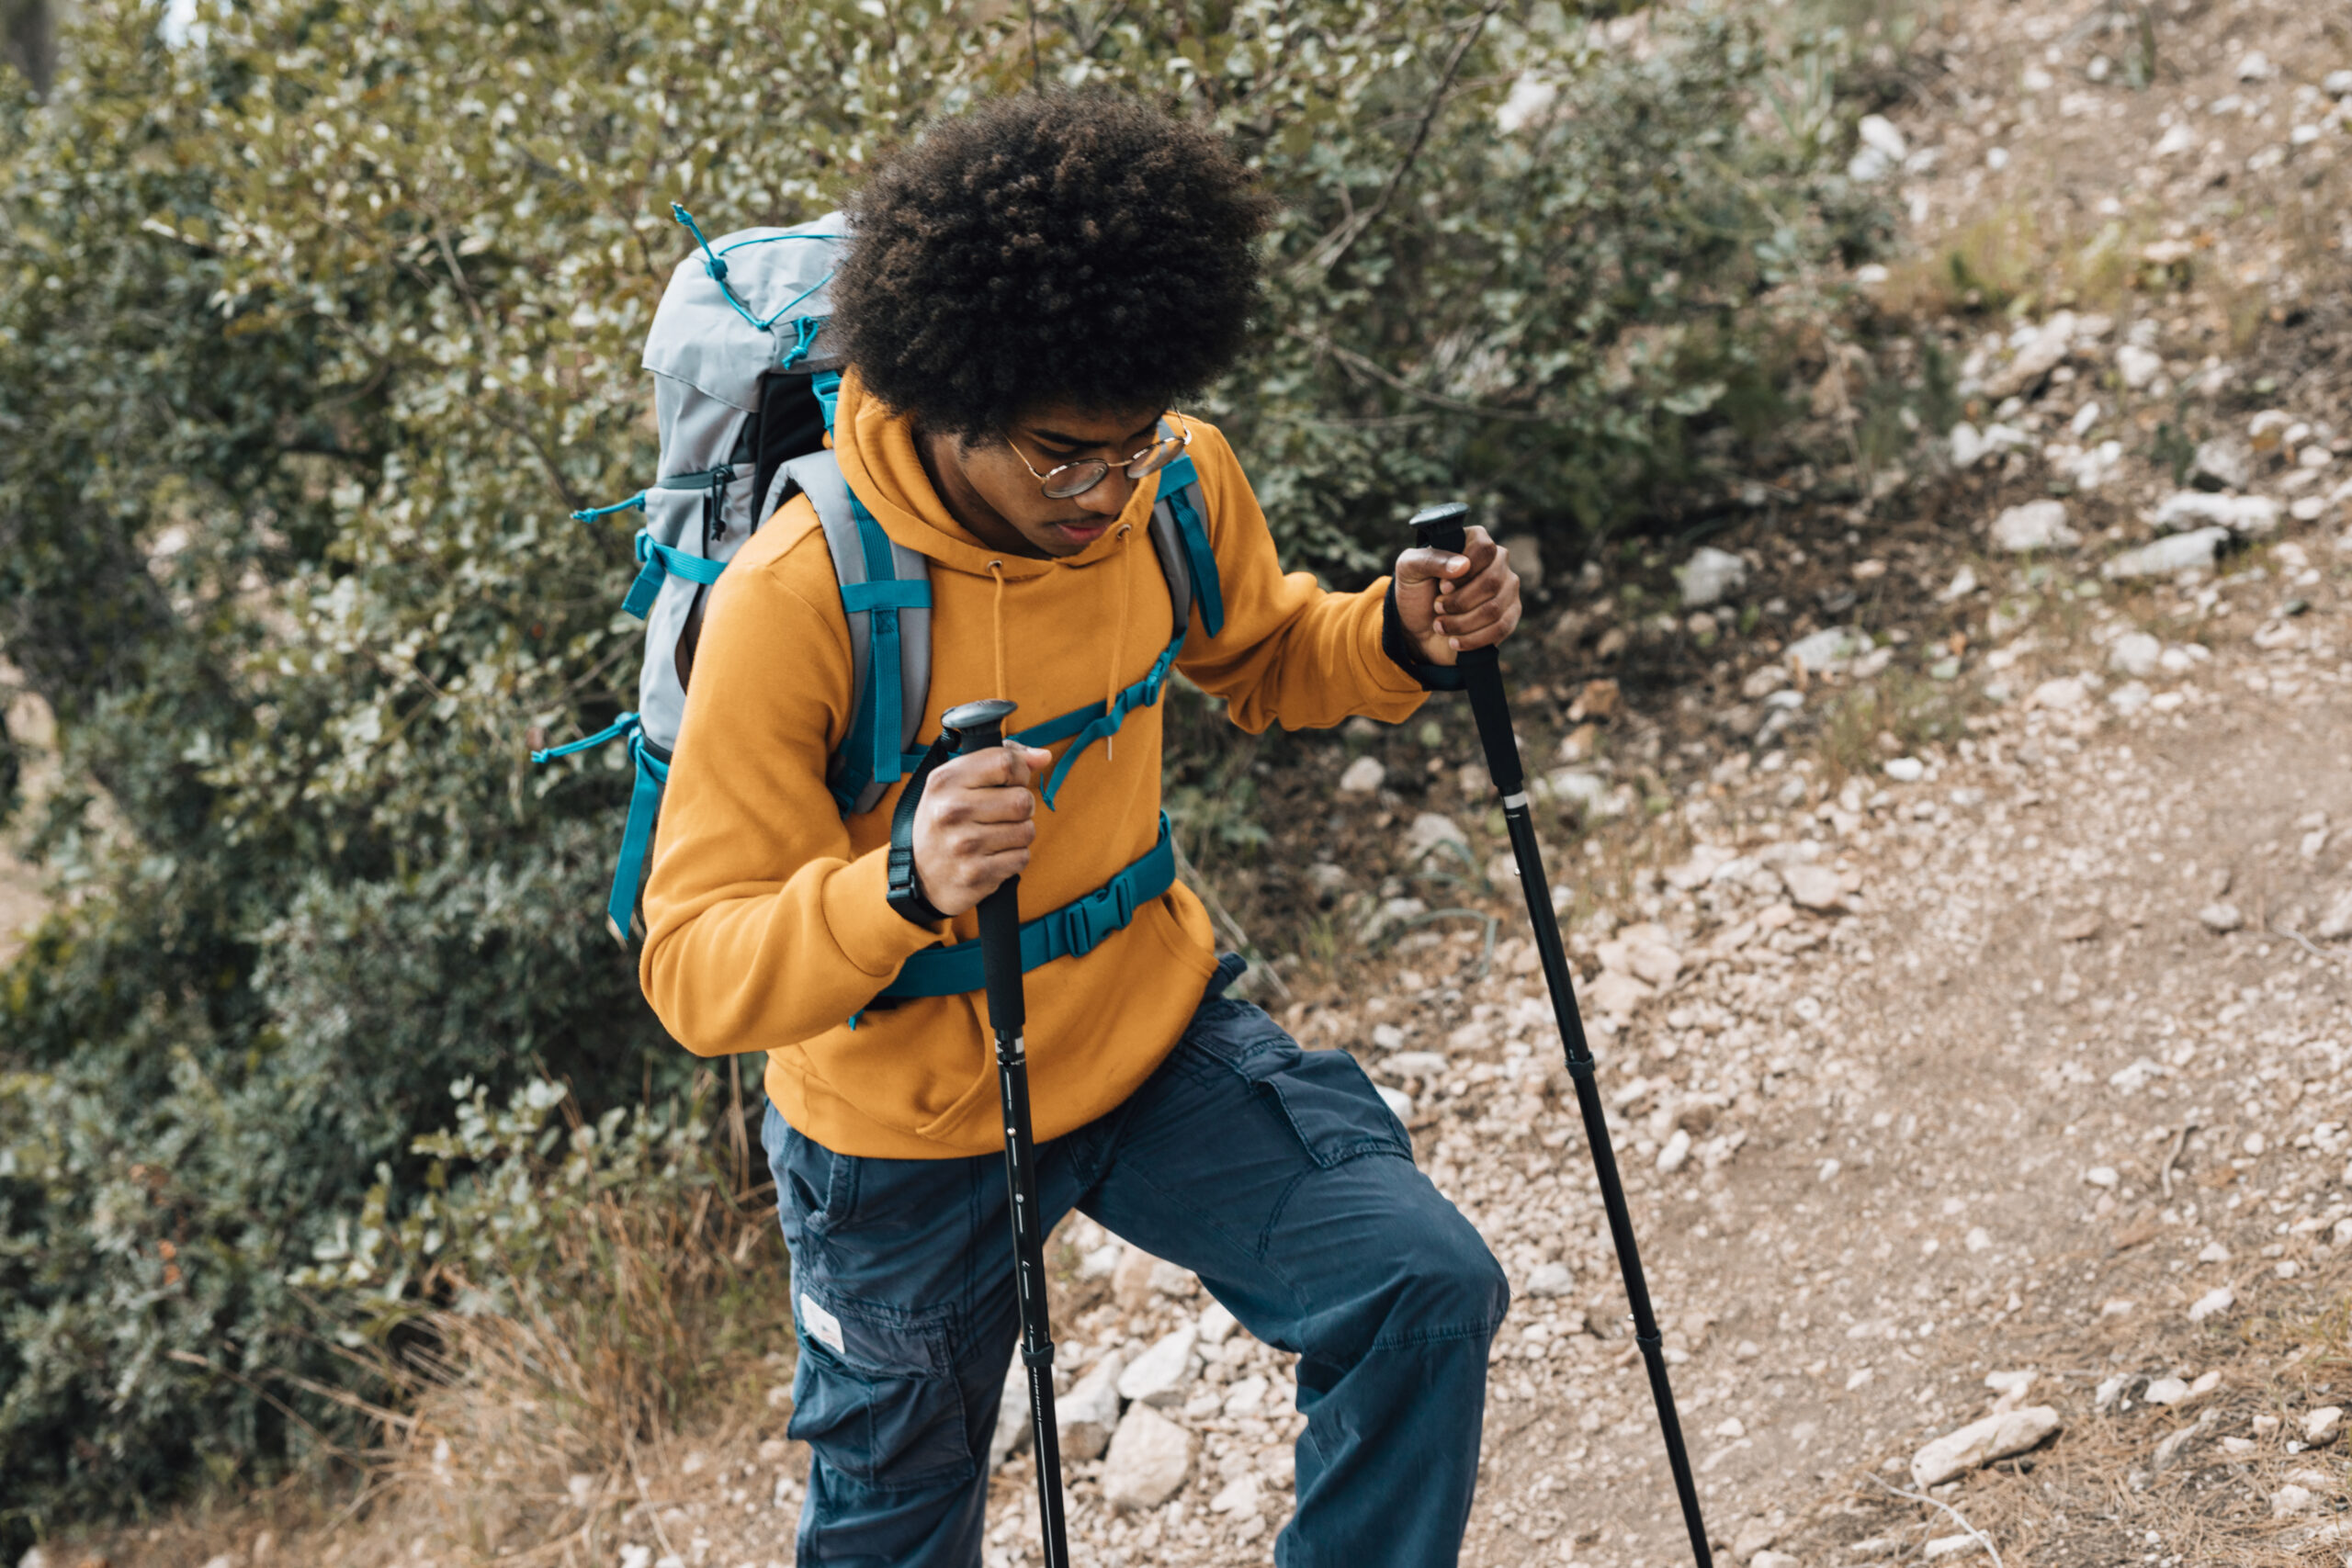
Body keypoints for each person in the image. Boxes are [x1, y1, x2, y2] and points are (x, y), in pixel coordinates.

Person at [640, 91, 1524, 1567]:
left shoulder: (1166, 478)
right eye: (1067, 458)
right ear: (955, 399)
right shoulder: (799, 600)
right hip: (904, 1133)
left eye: (1132, 447)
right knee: (893, 1534)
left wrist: (1401, 634)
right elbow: (694, 965)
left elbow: (1262, 654)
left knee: (1419, 1283)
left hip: (1145, 1033)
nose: (1107, 494)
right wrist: (905, 887)